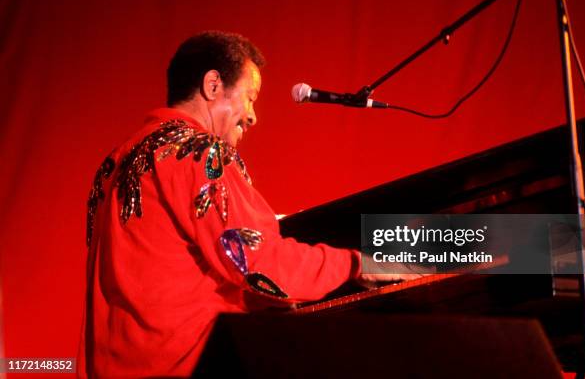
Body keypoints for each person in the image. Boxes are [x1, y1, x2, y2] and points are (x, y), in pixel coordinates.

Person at [78, 31, 411, 378]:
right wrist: (355, 264)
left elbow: (166, 274)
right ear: (212, 86)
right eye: (250, 98)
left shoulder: (114, 163)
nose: (253, 117)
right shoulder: (197, 152)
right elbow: (256, 261)